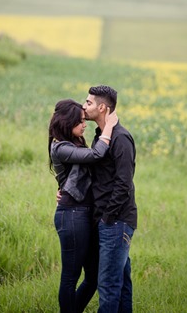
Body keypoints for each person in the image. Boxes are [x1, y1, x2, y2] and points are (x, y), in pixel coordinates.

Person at [48, 98, 118, 313]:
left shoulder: (75, 142)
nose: (84, 124)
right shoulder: (60, 147)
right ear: (67, 123)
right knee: (71, 276)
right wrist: (110, 126)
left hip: (84, 213)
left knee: (94, 277)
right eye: (80, 121)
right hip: (71, 214)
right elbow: (97, 154)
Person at [83, 85, 137, 313]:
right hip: (107, 220)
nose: (84, 106)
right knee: (121, 283)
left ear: (102, 108)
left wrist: (107, 218)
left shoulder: (121, 138)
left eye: (89, 102)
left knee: (108, 285)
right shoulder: (100, 137)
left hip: (116, 221)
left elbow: (123, 183)